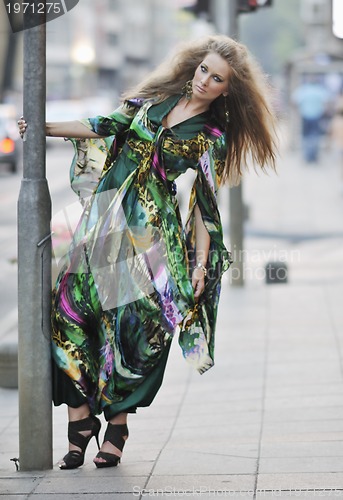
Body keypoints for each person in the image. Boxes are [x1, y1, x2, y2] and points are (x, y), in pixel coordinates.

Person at [18, 34, 277, 470]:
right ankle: (80, 420)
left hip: (150, 236)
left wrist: (198, 264)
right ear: (194, 67)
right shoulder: (153, 100)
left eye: (216, 79)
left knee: (131, 330)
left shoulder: (212, 136)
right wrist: (44, 127)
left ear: (227, 89)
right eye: (203, 70)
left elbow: (205, 205)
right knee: (69, 314)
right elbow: (105, 124)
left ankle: (116, 424)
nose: (205, 81)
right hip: (102, 221)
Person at [292, 75, 331, 164]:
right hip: (317, 116)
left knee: (305, 137)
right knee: (315, 136)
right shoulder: (320, 90)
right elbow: (327, 103)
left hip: (305, 116)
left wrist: (298, 110)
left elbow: (294, 101)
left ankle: (307, 157)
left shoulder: (303, 90)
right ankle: (314, 156)